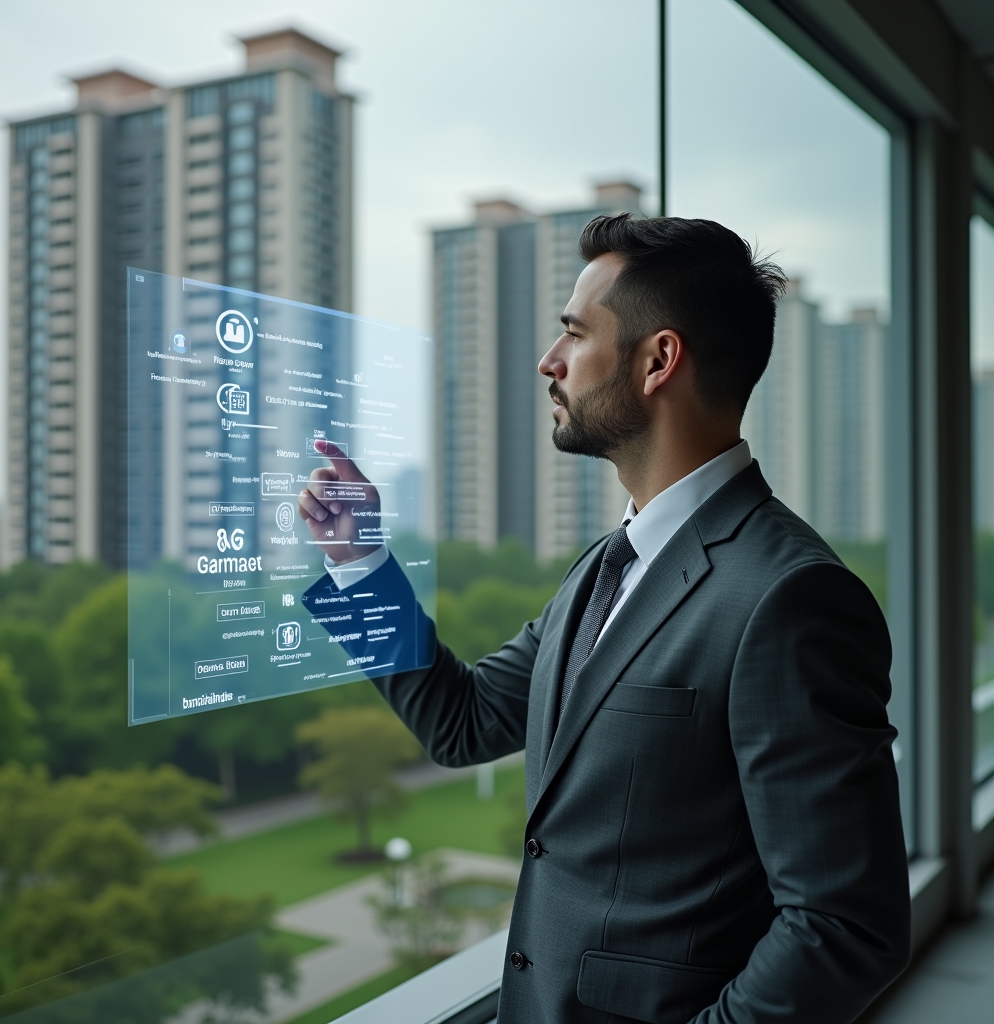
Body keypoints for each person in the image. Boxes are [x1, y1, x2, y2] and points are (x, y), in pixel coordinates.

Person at [298, 214, 911, 1024]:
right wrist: (359, 562)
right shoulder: (603, 567)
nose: (549, 363)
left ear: (659, 360)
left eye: (574, 335)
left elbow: (844, 925)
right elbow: (466, 722)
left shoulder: (791, 597)